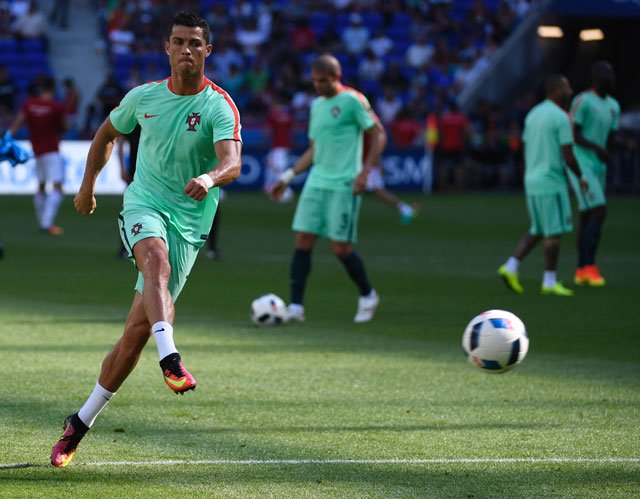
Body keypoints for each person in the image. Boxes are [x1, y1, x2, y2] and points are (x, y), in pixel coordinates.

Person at [50, 11, 242, 468]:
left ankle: (78, 424)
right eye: (179, 42)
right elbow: (107, 133)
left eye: (196, 43)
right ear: (167, 48)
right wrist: (87, 185)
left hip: (191, 222)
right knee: (155, 260)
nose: (186, 50)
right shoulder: (144, 97)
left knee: (134, 335)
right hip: (144, 204)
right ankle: (171, 358)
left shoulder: (219, 105)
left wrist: (211, 178)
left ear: (207, 51)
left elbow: (232, 162)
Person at [270, 54, 385, 323]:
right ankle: (296, 307)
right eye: (315, 81)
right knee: (302, 240)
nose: (318, 86)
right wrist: (287, 176)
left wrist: (365, 171)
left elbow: (379, 133)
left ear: (336, 77)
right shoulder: (317, 105)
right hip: (316, 181)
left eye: (323, 81)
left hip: (344, 183)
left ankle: (368, 294)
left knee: (340, 248)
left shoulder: (352, 101)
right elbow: (314, 149)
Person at [497, 74, 588, 297]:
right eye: (566, 87)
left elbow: (526, 147)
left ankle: (510, 266)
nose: (570, 91)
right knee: (554, 232)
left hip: (532, 179)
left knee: (538, 229)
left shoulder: (533, 114)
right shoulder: (561, 117)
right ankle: (549, 281)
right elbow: (568, 154)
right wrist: (582, 176)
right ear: (556, 90)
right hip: (551, 181)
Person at [567, 61, 620, 287]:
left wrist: (619, 146)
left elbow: (610, 138)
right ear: (596, 78)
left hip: (598, 166)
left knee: (588, 216)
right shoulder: (583, 101)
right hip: (581, 163)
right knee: (600, 211)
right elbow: (573, 134)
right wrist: (599, 149)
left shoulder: (613, 106)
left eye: (612, 74)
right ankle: (589, 266)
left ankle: (582, 270)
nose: (612, 78)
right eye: (607, 74)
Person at [9, 75, 67, 235]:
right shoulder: (56, 106)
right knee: (57, 187)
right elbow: (64, 127)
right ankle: (46, 223)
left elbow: (17, 122)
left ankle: (42, 220)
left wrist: (7, 138)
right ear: (53, 89)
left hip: (36, 150)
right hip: (51, 150)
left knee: (41, 185)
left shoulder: (29, 104)